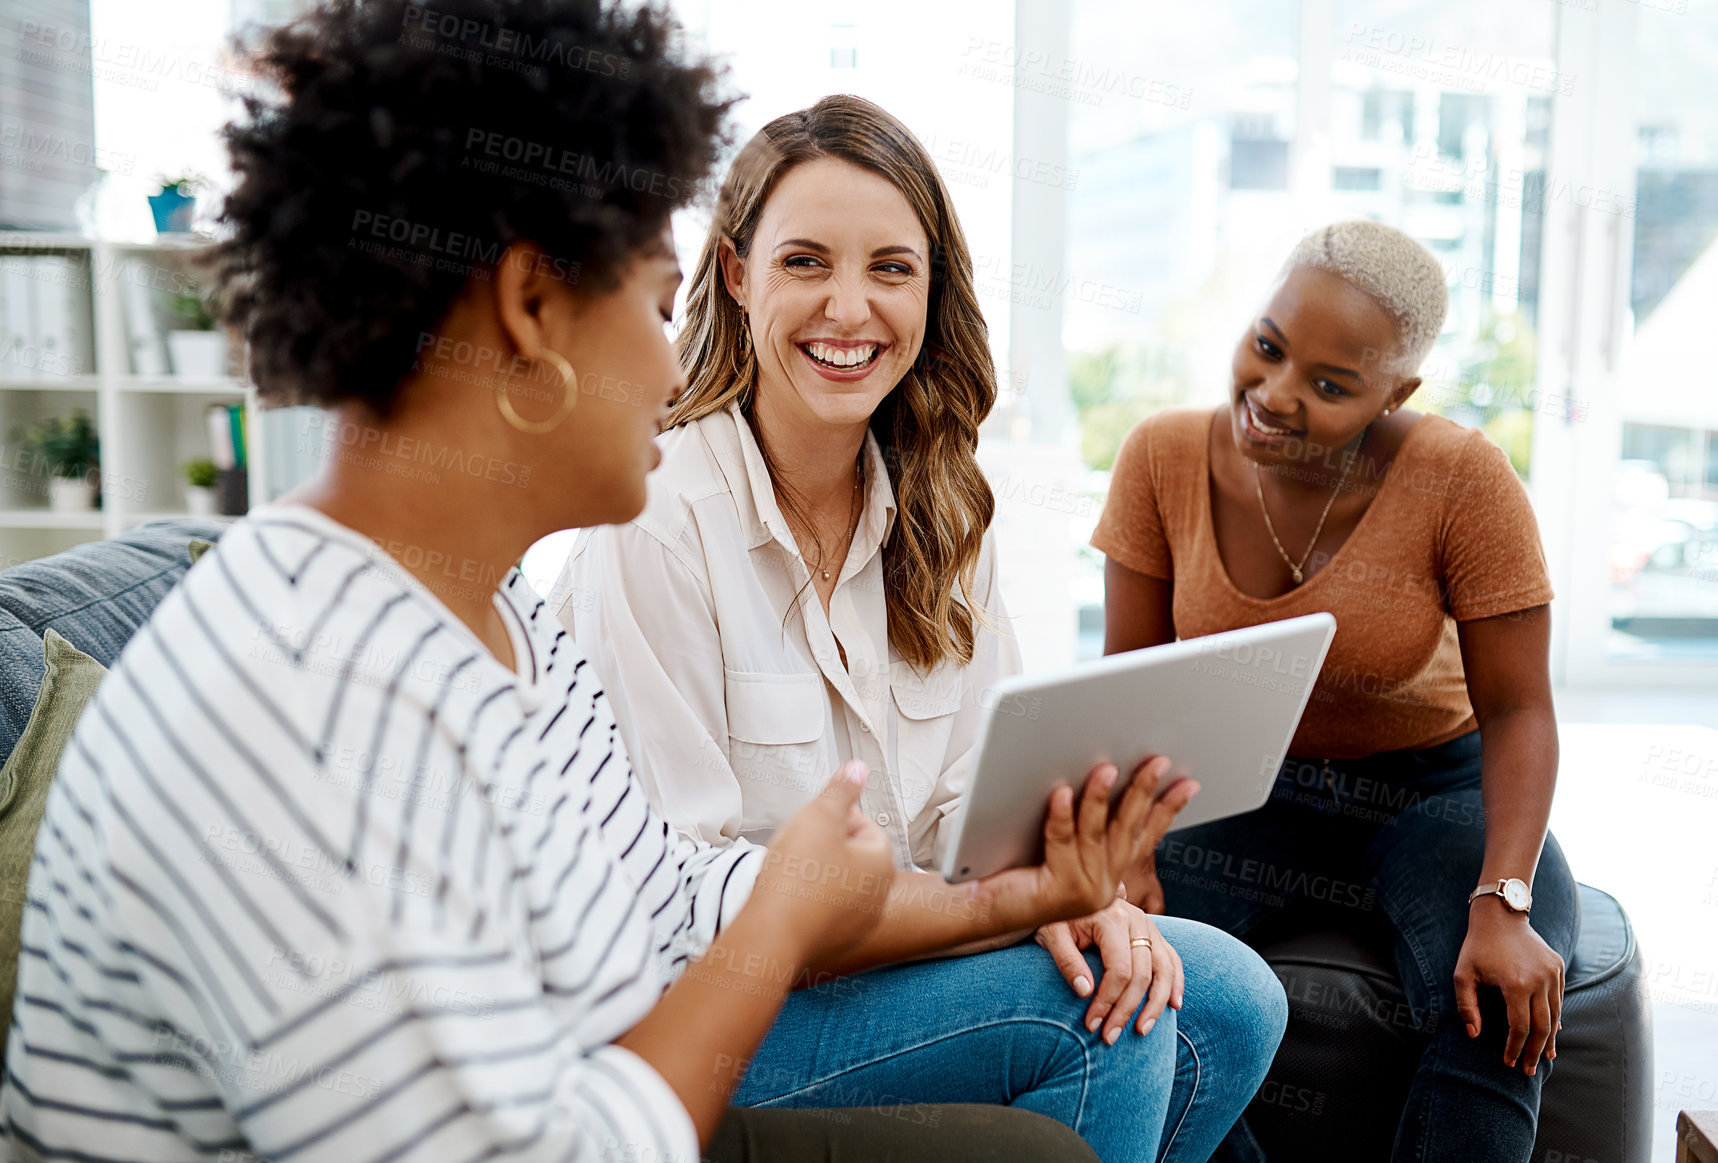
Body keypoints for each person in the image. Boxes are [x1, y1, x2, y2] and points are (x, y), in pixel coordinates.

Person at [0, 4, 1170, 1161]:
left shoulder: (499, 619)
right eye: (660, 307)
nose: (673, 366)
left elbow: (658, 896)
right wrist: (781, 917)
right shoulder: (299, 701)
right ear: (530, 307)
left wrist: (1004, 898)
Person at [557, 94, 1288, 1163]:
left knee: (1227, 993)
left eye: (890, 268)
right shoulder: (659, 518)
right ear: (733, 273)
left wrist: (1072, 889)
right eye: (804, 261)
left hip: (894, 968)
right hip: (707, 1019)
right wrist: (1016, 909)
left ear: (931, 289)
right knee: (1102, 1018)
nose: (847, 309)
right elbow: (683, 912)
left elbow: (968, 796)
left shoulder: (940, 504)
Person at [1091, 219, 1579, 1162]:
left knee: (1497, 1010)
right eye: (1268, 348)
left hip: (1436, 786)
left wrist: (1505, 899)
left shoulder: (1460, 476)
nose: (1274, 395)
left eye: (1330, 384)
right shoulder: (1161, 458)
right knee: (1118, 966)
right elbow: (1131, 681)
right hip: (1235, 777)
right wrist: (1128, 840)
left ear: (1395, 394)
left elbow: (1522, 708)